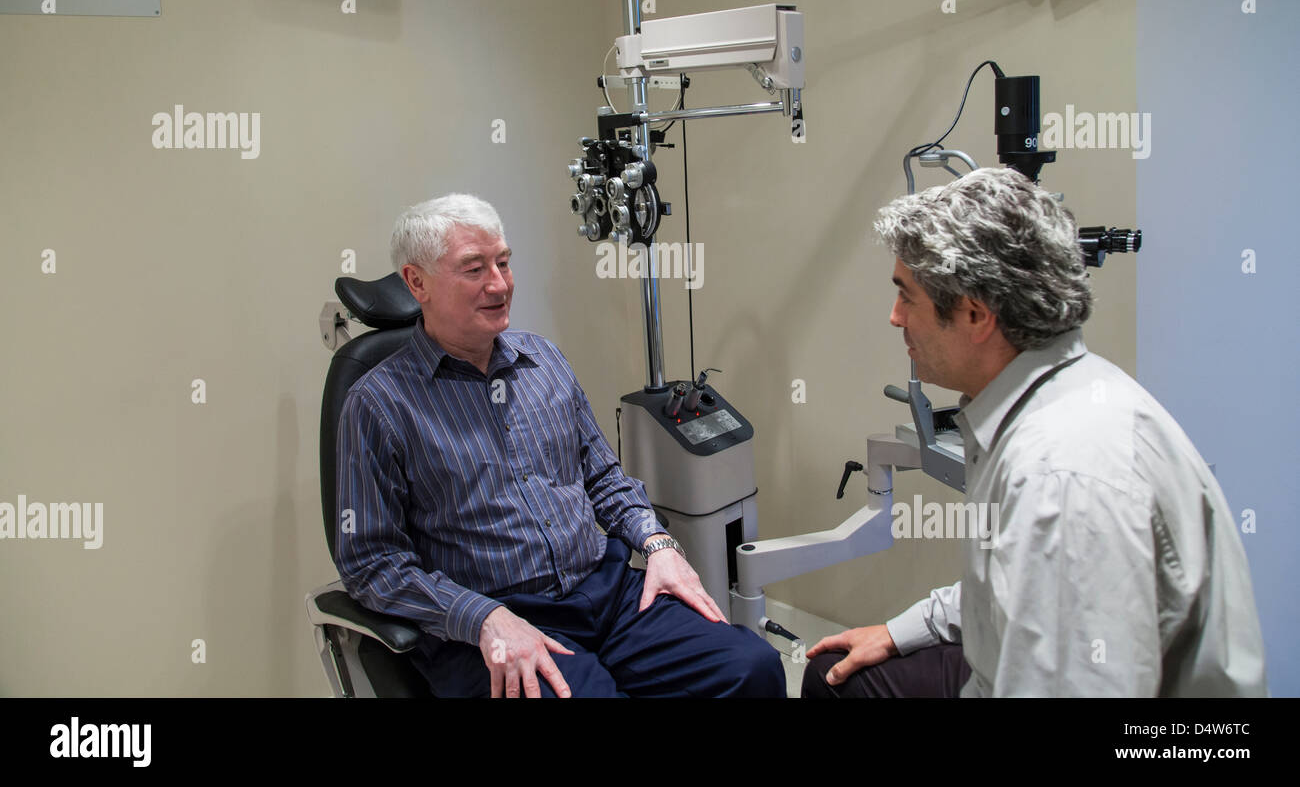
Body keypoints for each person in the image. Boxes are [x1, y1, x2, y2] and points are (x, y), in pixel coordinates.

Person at [802, 167, 1267, 697]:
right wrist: (900, 632)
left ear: (976, 314)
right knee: (834, 677)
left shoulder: (1061, 477)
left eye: (906, 297)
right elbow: (1017, 591)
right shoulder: (1052, 394)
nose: (894, 317)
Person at [335, 193, 785, 697]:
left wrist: (658, 544)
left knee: (752, 668)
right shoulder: (379, 404)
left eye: (504, 262)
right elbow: (372, 564)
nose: (499, 284)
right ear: (417, 282)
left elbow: (605, 479)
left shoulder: (543, 360)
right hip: (496, 620)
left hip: (607, 592)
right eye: (474, 268)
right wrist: (483, 618)